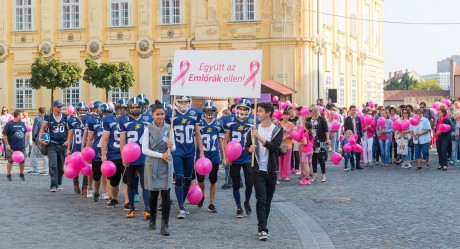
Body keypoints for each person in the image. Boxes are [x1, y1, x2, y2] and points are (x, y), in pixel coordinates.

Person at [245, 102, 283, 241]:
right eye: (257, 111)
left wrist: (259, 137)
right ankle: (263, 229)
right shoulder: (253, 129)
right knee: (261, 200)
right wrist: (249, 150)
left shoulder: (277, 131)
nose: (257, 113)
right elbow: (246, 147)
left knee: (267, 201)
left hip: (271, 170)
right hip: (258, 170)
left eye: (260, 111)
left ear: (268, 113)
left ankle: (262, 224)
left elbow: (273, 147)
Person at [165, 96, 205, 219]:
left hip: (189, 151)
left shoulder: (195, 113)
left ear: (189, 102)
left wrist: (201, 153)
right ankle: (181, 206)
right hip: (176, 150)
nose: (183, 103)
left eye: (186, 101)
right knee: (179, 176)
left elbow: (198, 134)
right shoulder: (170, 114)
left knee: (188, 178)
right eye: (181, 101)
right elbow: (166, 133)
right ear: (177, 102)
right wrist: (167, 144)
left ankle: (181, 202)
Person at [142, 102, 174, 235]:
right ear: (152, 115)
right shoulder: (147, 128)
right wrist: (160, 155)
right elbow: (144, 150)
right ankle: (152, 220)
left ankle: (165, 225)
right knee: (153, 194)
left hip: (166, 163)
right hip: (153, 163)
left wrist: (170, 146)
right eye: (157, 114)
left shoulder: (169, 128)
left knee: (166, 194)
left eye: (162, 114)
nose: (160, 117)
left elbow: (174, 148)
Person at [223, 98, 259, 218]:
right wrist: (226, 156)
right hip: (234, 157)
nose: (242, 111)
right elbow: (226, 139)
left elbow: (257, 137)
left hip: (248, 156)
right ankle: (238, 207)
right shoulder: (230, 120)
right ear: (236, 108)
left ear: (249, 110)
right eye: (241, 108)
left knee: (250, 183)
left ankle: (247, 202)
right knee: (236, 184)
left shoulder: (253, 121)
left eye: (245, 109)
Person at [119, 97, 151, 218]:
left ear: (141, 107)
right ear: (129, 108)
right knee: (131, 184)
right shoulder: (123, 120)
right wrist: (123, 157)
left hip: (144, 156)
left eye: (137, 107)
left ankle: (147, 209)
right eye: (133, 107)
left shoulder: (148, 118)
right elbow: (122, 141)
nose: (135, 109)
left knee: (145, 184)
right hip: (130, 157)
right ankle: (132, 208)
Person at [196, 101, 225, 213]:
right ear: (204, 112)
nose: (209, 113)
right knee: (201, 181)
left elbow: (220, 141)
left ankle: (211, 203)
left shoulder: (218, 124)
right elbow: (196, 140)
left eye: (211, 111)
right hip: (202, 157)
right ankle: (202, 194)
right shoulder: (199, 124)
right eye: (207, 111)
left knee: (213, 180)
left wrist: (224, 157)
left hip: (213, 156)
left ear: (215, 112)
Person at [38, 100, 68, 192]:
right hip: (52, 144)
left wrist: (68, 141)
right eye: (58, 107)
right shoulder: (49, 117)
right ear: (54, 107)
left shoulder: (65, 117)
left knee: (60, 166)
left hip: (62, 144)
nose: (60, 108)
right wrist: (40, 138)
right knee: (53, 165)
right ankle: (53, 185)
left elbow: (70, 131)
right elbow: (42, 129)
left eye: (61, 107)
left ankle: (59, 183)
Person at [67, 103, 89, 195]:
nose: (83, 112)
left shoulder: (88, 121)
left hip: (86, 148)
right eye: (81, 110)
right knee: (75, 167)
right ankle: (76, 183)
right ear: (77, 111)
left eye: (84, 110)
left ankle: (85, 186)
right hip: (76, 147)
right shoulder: (72, 121)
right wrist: (68, 148)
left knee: (87, 167)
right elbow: (70, 136)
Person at [306, 105, 330, 182]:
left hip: (320, 140)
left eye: (310, 111)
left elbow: (326, 130)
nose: (309, 112)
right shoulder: (309, 119)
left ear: (315, 111)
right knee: (313, 158)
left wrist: (328, 138)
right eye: (309, 110)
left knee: (320, 158)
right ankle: (315, 174)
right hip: (311, 141)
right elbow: (306, 129)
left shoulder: (321, 119)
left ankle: (323, 174)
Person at [2, 110, 27, 181]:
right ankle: (8, 174)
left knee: (22, 160)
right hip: (12, 146)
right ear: (18, 116)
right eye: (21, 115)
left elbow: (25, 132)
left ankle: (21, 174)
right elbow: (4, 135)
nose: (22, 116)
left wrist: (25, 141)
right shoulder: (9, 124)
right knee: (10, 161)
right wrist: (7, 144)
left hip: (21, 146)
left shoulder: (22, 123)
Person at [29, 107, 49, 175]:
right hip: (46, 137)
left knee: (34, 154)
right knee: (45, 154)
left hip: (39, 137)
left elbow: (35, 129)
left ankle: (34, 169)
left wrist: (34, 138)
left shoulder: (37, 119)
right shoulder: (48, 118)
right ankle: (46, 170)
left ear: (39, 112)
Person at [343, 105, 363, 170]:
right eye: (352, 110)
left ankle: (358, 164)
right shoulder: (347, 119)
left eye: (355, 110)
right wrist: (347, 137)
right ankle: (352, 165)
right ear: (350, 110)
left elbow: (360, 128)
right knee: (351, 151)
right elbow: (346, 129)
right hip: (351, 138)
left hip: (357, 137)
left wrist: (361, 135)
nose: (354, 111)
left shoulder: (358, 118)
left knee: (358, 150)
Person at [278, 110, 293, 181]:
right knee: (281, 159)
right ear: (282, 115)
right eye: (285, 115)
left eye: (287, 115)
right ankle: (281, 175)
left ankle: (286, 175)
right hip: (280, 144)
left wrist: (287, 136)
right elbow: (277, 133)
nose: (286, 116)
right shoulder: (279, 124)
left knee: (287, 160)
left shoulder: (291, 124)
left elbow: (294, 133)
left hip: (288, 143)